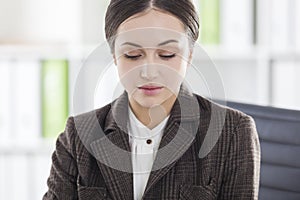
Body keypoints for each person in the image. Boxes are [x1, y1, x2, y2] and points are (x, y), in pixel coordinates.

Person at [43, 0, 261, 199]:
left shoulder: (233, 132)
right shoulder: (78, 135)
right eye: (132, 55)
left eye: (166, 54)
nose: (149, 72)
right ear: (114, 56)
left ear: (190, 55)